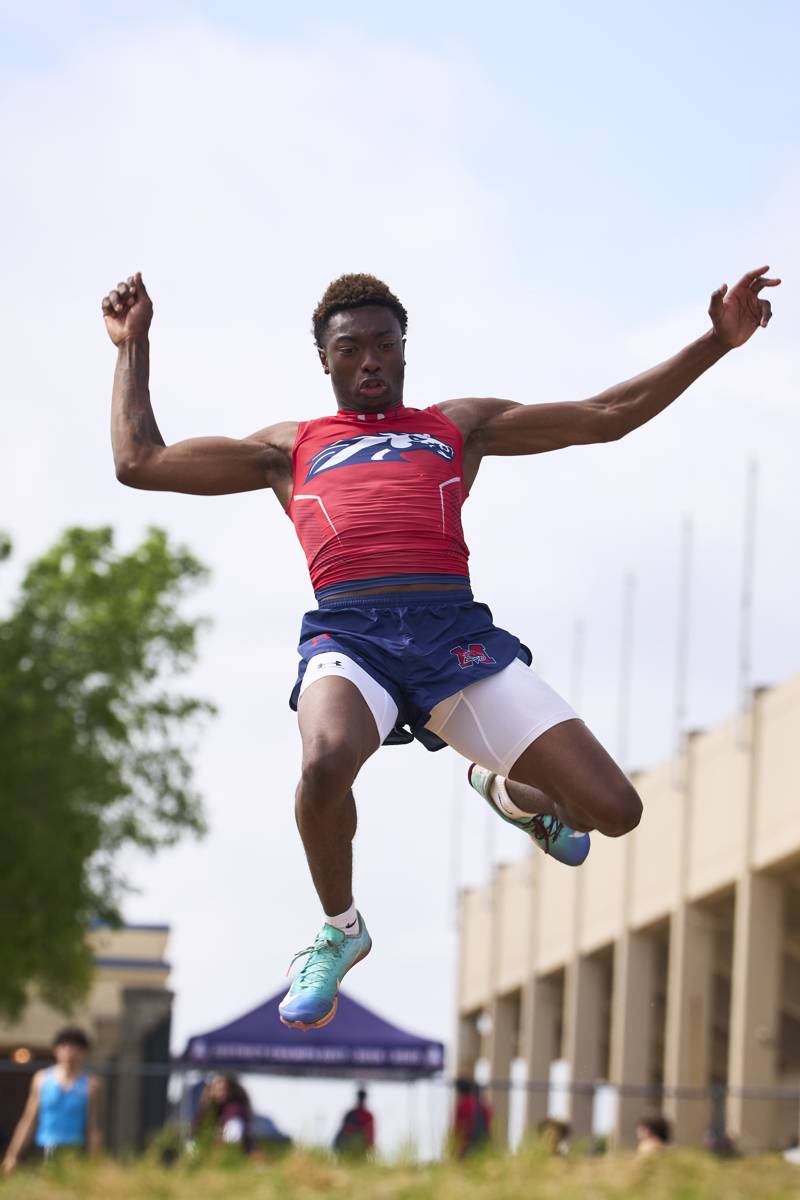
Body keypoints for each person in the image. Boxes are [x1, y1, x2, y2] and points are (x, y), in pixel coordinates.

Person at [102, 263, 780, 1030]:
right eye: (351, 348)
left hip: (454, 639)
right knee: (325, 762)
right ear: (324, 358)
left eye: (384, 347)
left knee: (614, 810)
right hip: (351, 636)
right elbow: (141, 462)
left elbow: (605, 413)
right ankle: (340, 930)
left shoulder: (455, 426)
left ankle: (512, 796)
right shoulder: (287, 449)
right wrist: (134, 346)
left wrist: (715, 343)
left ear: (403, 350)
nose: (369, 362)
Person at [2, 1027, 102, 1172]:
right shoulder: (42, 1079)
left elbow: (92, 1126)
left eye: (75, 1048)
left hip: (73, 1151)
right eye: (65, 1046)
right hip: (44, 1148)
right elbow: (28, 1120)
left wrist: (96, 1163)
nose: (70, 1052)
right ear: (56, 1050)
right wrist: (12, 1156)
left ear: (84, 1052)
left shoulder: (91, 1084)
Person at [192, 1073, 253, 1153]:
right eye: (215, 1089)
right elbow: (196, 1130)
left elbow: (232, 1140)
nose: (219, 1093)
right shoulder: (208, 1109)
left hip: (228, 1155)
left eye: (222, 1090)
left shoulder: (234, 1111)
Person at [452, 1078, 491, 1157]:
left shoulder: (464, 1104)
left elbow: (460, 1125)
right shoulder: (484, 1106)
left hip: (468, 1141)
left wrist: (458, 1142)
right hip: (483, 1139)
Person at [333, 1087, 375, 1156]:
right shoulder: (368, 1116)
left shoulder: (351, 1113)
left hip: (351, 1150)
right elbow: (371, 1137)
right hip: (358, 1150)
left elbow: (341, 1132)